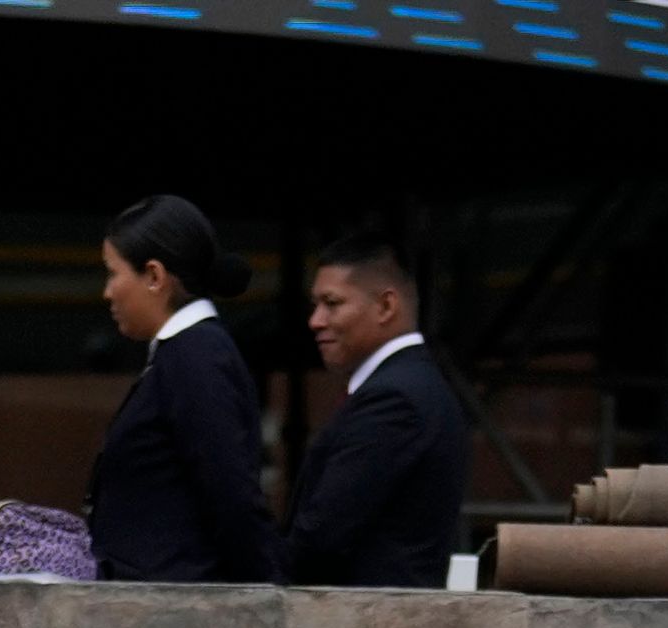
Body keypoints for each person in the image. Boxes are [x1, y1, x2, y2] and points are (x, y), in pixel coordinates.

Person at [86, 195, 277, 583]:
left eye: (113, 273)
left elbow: (232, 496)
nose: (107, 292)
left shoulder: (197, 357)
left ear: (154, 277)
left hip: (177, 617)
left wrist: (269, 601)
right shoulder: (182, 355)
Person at [285, 232, 471, 587]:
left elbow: (322, 535)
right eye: (315, 305)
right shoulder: (409, 387)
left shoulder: (395, 399)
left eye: (332, 303)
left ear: (386, 306)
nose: (315, 320)